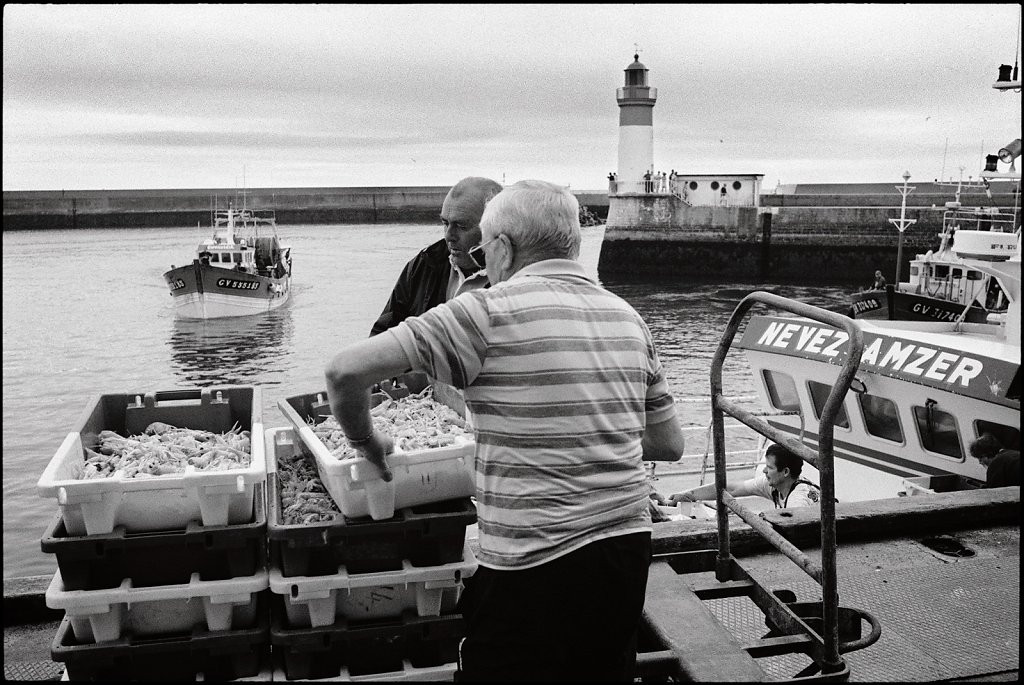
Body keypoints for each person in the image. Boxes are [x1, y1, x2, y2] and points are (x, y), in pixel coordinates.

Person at [324, 180, 687, 682]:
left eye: (482, 249)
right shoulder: (628, 318)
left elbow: (345, 372)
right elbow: (669, 444)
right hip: (625, 551)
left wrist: (368, 441)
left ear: (502, 248)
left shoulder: (484, 313)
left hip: (531, 562)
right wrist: (580, 424)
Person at [369, 176, 503, 337]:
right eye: (445, 223)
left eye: (461, 226)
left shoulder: (513, 276)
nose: (449, 235)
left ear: (495, 226)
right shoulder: (424, 264)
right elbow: (384, 332)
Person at [666, 443, 822, 509]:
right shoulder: (775, 485)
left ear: (785, 472)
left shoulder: (799, 500)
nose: (764, 472)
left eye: (769, 468)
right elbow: (732, 489)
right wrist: (688, 495)